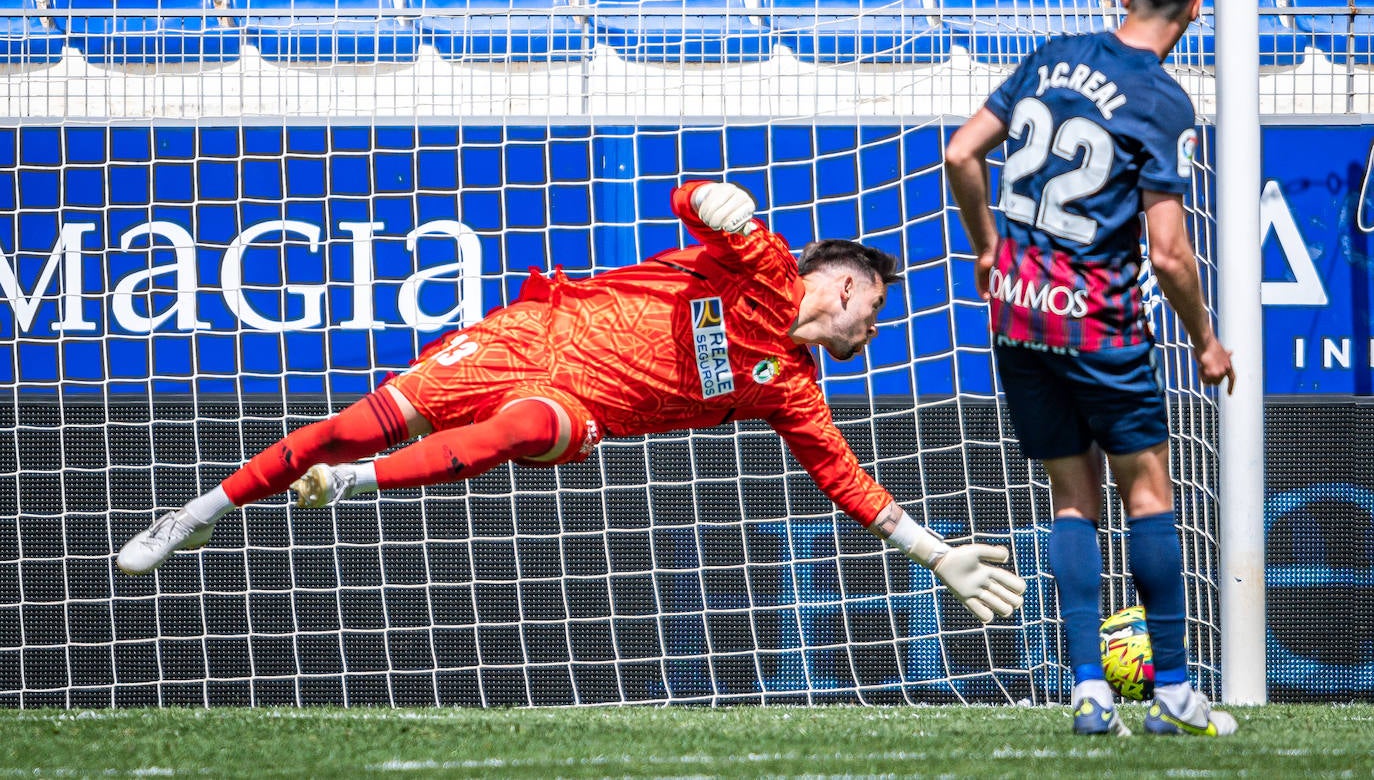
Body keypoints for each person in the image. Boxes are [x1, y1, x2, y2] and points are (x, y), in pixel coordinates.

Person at [119, 179, 1028, 627]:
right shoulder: (765, 265)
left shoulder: (793, 392)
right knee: (340, 425)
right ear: (838, 282)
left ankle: (355, 486)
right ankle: (195, 515)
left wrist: (937, 553)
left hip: (576, 408)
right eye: (875, 305)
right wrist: (714, 200)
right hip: (530, 335)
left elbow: (847, 481)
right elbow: (695, 202)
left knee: (523, 430)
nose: (876, 327)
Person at [944, 0, 1238, 737]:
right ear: (1196, 6)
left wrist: (988, 247)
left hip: (1018, 314)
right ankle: (1173, 690)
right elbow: (1171, 255)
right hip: (1098, 321)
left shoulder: (1051, 55)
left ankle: (1087, 689)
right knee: (1147, 492)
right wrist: (1207, 342)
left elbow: (962, 152)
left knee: (1070, 501)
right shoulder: (1161, 100)